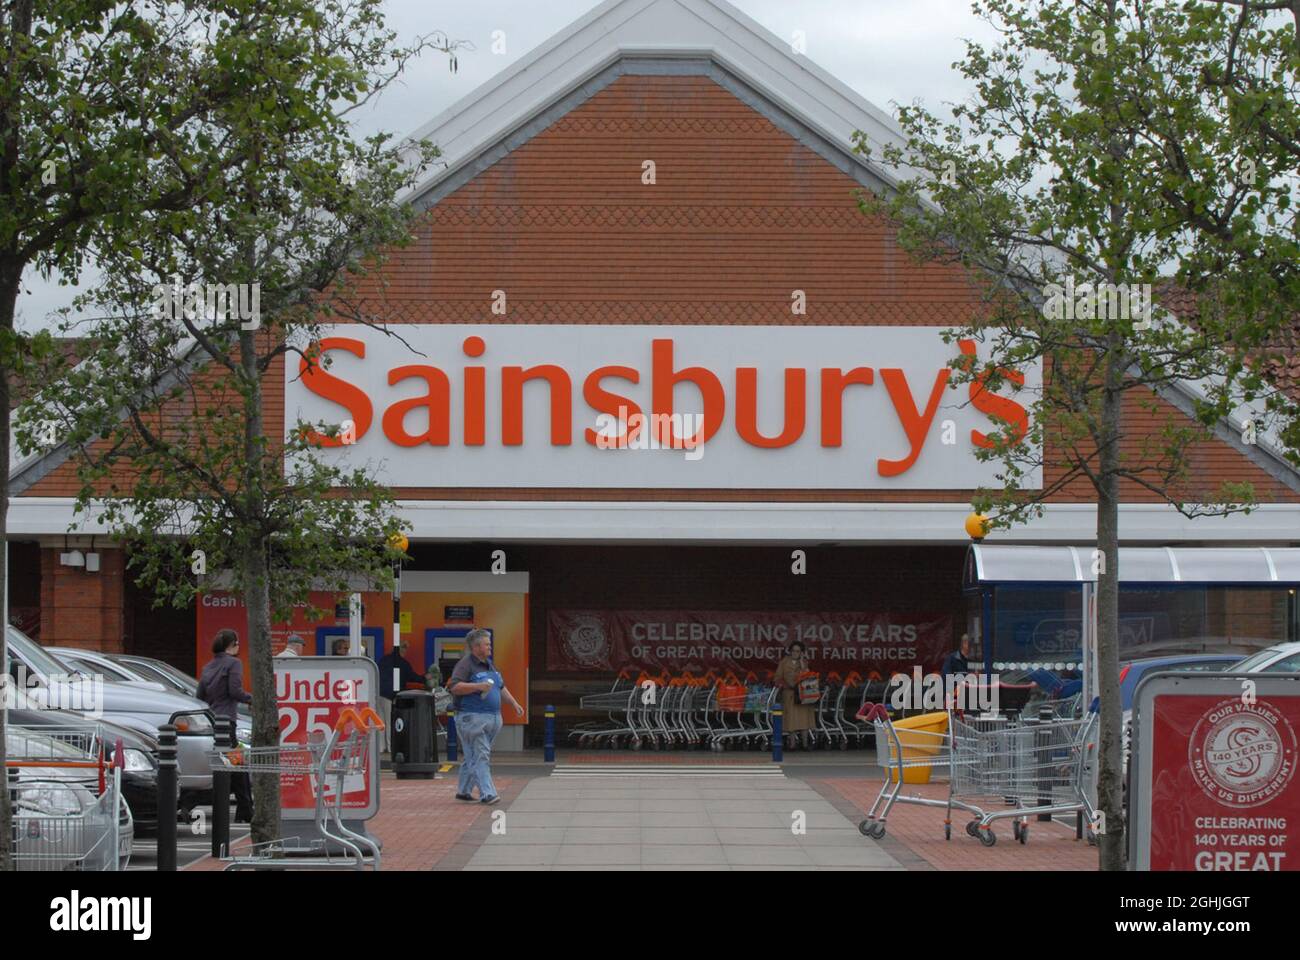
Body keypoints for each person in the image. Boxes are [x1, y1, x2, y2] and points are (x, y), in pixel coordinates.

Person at [447, 629, 523, 804]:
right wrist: (478, 687)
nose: (490, 647)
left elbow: (500, 687)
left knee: (472, 755)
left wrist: (514, 703)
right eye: (487, 644)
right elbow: (455, 687)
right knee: (481, 755)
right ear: (476, 646)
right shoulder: (465, 665)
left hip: (491, 718)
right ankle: (487, 793)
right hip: (472, 718)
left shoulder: (489, 664)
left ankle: (464, 791)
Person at [197, 629, 254, 822]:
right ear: (233, 645)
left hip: (214, 721)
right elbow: (235, 690)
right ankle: (245, 809)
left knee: (231, 765)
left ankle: (244, 809)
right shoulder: (234, 663)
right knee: (237, 766)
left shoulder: (208, 667)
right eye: (237, 645)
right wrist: (252, 699)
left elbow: (200, 696)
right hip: (227, 721)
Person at [377, 638, 426, 753]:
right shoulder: (401, 662)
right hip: (391, 696)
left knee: (380, 723)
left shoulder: (384, 659)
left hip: (379, 694)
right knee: (390, 723)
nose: (406, 652)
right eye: (405, 649)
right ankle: (390, 747)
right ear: (401, 649)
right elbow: (412, 677)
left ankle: (380, 747)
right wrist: (425, 678)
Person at [772, 641, 816, 750]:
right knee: (791, 719)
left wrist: (801, 663)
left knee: (804, 719)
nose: (795, 653)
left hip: (802, 695)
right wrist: (783, 684)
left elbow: (807, 675)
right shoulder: (784, 662)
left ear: (801, 653)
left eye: (798, 651)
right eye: (793, 651)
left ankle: (805, 744)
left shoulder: (803, 662)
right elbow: (777, 677)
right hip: (789, 693)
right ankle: (792, 744)